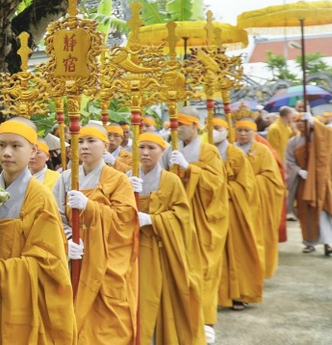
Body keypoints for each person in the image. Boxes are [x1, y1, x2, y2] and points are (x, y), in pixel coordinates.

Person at [0, 117, 75, 344]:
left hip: (24, 296)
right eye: (1, 145)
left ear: (33, 151)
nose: (7, 152)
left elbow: (48, 262)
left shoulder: (40, 197)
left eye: (16, 146)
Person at [52, 123, 138, 345]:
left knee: (107, 320)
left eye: (91, 141)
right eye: (80, 141)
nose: (84, 146)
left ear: (105, 146)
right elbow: (55, 216)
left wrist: (90, 207)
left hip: (105, 257)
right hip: (74, 255)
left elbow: (125, 221)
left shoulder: (118, 179)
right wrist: (68, 239)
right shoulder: (65, 178)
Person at [129, 133, 204, 345]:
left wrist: (152, 220)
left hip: (160, 248)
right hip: (130, 249)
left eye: (151, 148)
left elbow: (182, 216)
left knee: (156, 296)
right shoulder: (127, 177)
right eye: (141, 147)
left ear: (162, 151)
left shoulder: (171, 180)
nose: (145, 153)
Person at [161, 106, 227, 344]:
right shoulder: (171, 149)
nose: (177, 129)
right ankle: (185, 315)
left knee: (204, 267)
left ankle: (206, 320)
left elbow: (216, 184)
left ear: (195, 126)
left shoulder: (208, 150)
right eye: (175, 124)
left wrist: (190, 168)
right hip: (178, 214)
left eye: (182, 124)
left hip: (201, 216)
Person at [210, 117, 263, 312]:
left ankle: (238, 294)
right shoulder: (204, 152)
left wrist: (220, 188)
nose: (213, 131)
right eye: (209, 128)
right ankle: (213, 296)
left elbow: (246, 186)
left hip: (232, 209)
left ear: (226, 131)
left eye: (217, 128)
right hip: (207, 210)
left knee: (235, 252)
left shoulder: (235, 154)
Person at [235, 118, 286, 278]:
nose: (243, 134)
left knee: (256, 238)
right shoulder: (231, 150)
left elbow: (272, 179)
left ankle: (257, 271)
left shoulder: (263, 151)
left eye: (247, 130)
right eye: (240, 130)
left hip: (257, 204)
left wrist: (247, 182)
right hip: (235, 201)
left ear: (254, 132)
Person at [286, 113, 332, 255]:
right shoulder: (293, 141)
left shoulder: (317, 137)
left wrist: (314, 123)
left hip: (320, 180)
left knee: (322, 210)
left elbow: (327, 135)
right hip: (303, 181)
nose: (300, 124)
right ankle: (309, 242)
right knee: (305, 212)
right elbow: (289, 161)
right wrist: (299, 171)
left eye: (303, 121)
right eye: (297, 121)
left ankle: (328, 242)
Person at [267, 106, 297, 220]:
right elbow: (272, 148)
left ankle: (289, 210)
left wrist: (294, 128)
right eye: (292, 116)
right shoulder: (274, 128)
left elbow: (292, 141)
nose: (293, 118)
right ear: (287, 115)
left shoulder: (287, 127)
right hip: (278, 161)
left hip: (287, 160)